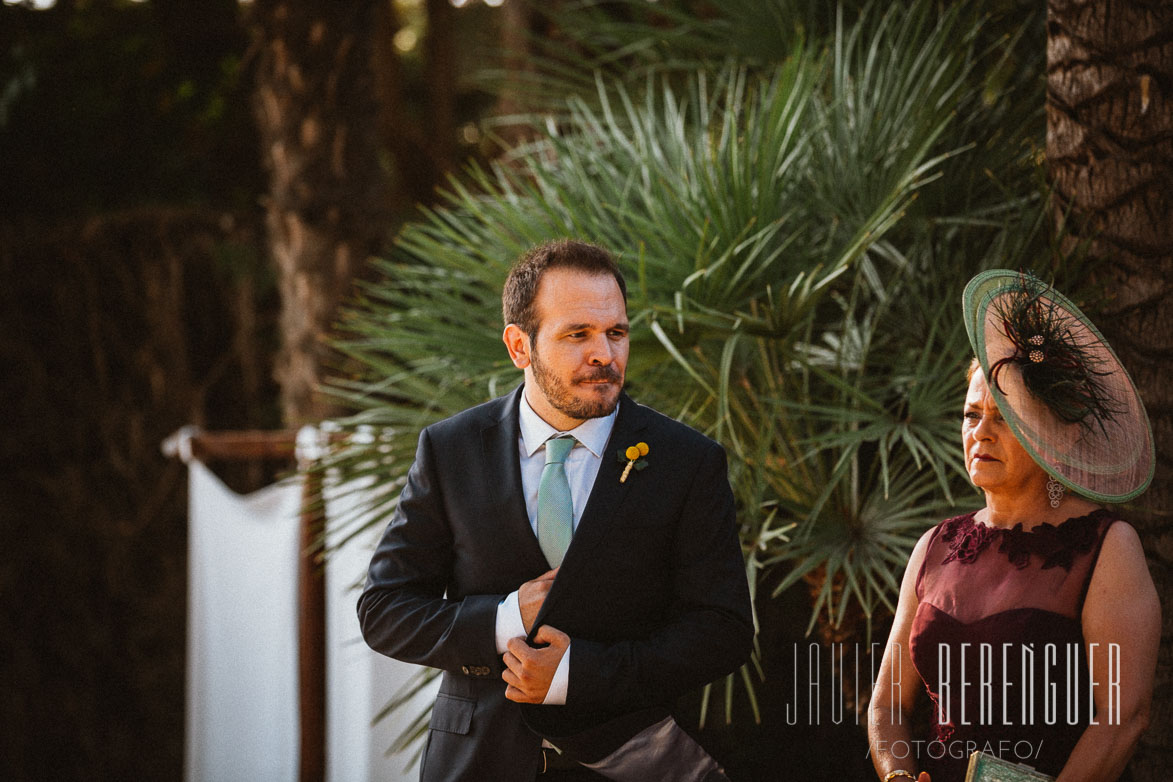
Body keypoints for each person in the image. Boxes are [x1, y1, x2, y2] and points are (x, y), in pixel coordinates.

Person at [358, 239, 754, 782]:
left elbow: (722, 629)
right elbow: (384, 608)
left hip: (633, 762)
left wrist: (579, 675)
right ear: (520, 346)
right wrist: (500, 622)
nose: (604, 355)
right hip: (479, 765)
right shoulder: (450, 450)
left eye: (616, 333)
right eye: (578, 335)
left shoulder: (687, 461)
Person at [868, 270, 1160, 782]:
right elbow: (887, 705)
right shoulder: (935, 546)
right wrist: (895, 775)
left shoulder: (1107, 546)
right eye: (971, 415)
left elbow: (1122, 719)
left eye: (1004, 417)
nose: (981, 432)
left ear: (1059, 438)